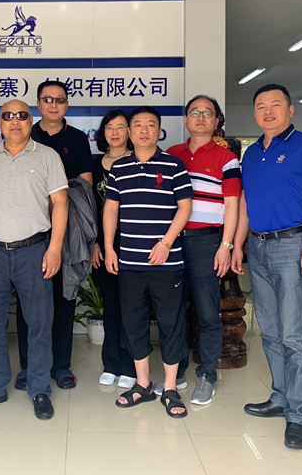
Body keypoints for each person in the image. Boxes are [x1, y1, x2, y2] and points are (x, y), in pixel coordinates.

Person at [231, 83, 302, 450]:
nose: (268, 111)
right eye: (261, 106)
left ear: (291, 109)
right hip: (257, 247)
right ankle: (281, 396)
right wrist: (238, 244)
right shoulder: (251, 153)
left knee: (294, 335)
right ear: (254, 113)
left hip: (293, 246)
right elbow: (246, 203)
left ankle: (299, 415)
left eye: (275, 105)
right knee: (270, 331)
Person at [0, 99, 68, 420]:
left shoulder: (47, 156)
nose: (14, 121)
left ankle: (39, 389)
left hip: (34, 251)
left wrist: (54, 248)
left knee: (39, 324)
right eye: (7, 116)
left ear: (30, 121)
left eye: (21, 115)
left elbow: (61, 203)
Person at [103, 106, 193, 419]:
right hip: (129, 262)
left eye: (150, 125)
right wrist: (109, 248)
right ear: (129, 131)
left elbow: (185, 207)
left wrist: (166, 243)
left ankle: (170, 387)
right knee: (133, 323)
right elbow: (111, 210)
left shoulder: (174, 165)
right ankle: (142, 384)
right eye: (138, 125)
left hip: (166, 263)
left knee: (171, 324)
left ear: (159, 130)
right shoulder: (119, 168)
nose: (144, 130)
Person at [13, 80, 93, 392]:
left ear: (66, 105)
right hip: (29, 230)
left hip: (67, 230)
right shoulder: (25, 134)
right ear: (38, 104)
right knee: (28, 300)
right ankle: (28, 366)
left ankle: (61, 365)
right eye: (48, 99)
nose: (54, 105)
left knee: (63, 297)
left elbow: (85, 187)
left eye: (59, 100)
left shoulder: (77, 138)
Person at [163, 95, 241, 405]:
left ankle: (207, 375)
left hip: (207, 241)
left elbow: (232, 206)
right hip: (172, 240)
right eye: (194, 112)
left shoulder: (226, 159)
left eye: (207, 113)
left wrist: (226, 245)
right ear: (185, 120)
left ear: (216, 121)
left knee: (208, 311)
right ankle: (177, 372)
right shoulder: (172, 155)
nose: (200, 117)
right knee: (175, 311)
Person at [91, 109, 137, 389]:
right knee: (110, 306)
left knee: (132, 307)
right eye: (110, 127)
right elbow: (89, 208)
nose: (115, 132)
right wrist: (95, 243)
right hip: (104, 245)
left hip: (134, 244)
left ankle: (131, 365)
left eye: (121, 127)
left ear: (130, 132)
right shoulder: (95, 165)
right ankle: (111, 363)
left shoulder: (138, 161)